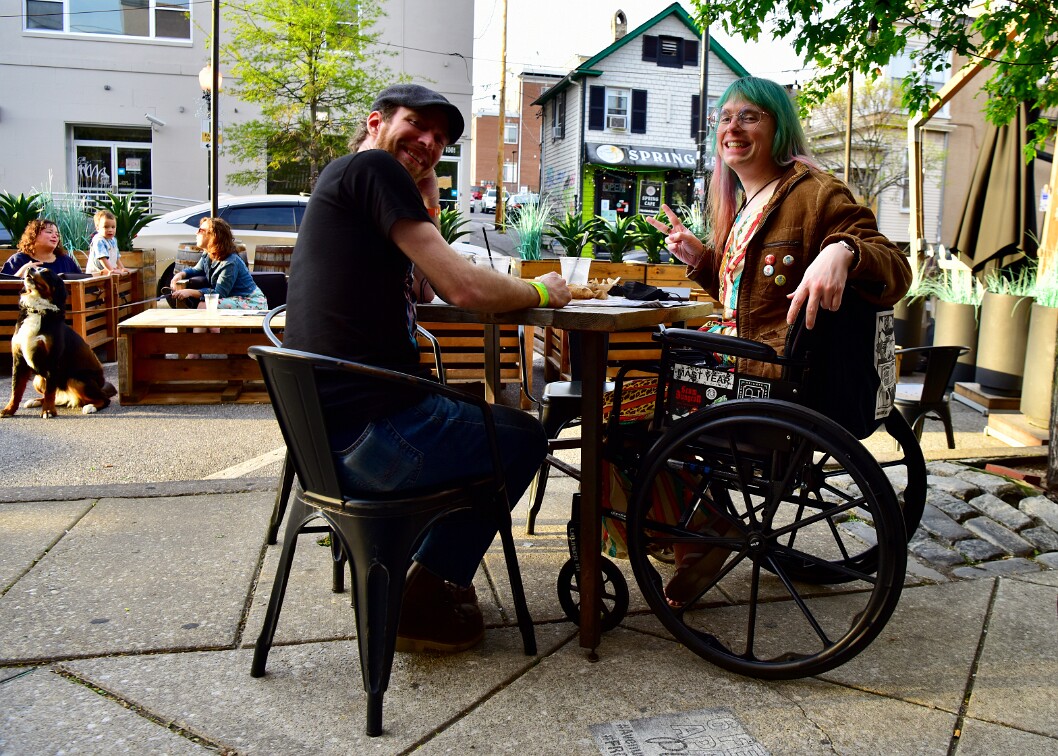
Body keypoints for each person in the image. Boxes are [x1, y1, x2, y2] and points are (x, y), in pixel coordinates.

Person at [284, 84, 571, 653]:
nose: (429, 143)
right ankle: (429, 589)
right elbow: (461, 286)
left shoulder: (346, 180)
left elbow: (419, 285)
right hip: (372, 439)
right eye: (417, 125)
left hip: (325, 442)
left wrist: (429, 213)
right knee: (521, 439)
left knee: (486, 427)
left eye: (440, 138)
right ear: (376, 122)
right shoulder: (372, 170)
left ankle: (422, 568)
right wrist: (543, 288)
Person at [647, 76, 912, 606]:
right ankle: (693, 530)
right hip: (740, 366)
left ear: (779, 127)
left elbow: (896, 268)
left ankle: (700, 532)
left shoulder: (814, 192)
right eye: (725, 118)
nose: (733, 128)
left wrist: (844, 253)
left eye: (750, 117)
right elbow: (750, 303)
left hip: (763, 382)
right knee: (627, 401)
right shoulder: (747, 202)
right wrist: (703, 259)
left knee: (619, 418)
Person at [168, 217, 266, 310]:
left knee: (206, 305)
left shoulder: (230, 262)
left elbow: (219, 294)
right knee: (207, 307)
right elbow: (196, 270)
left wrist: (190, 292)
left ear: (214, 236)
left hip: (250, 301)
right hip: (232, 299)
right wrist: (180, 274)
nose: (196, 232)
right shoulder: (208, 254)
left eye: (201, 230)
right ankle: (212, 328)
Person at [2, 219, 84, 278]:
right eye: (49, 232)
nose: (55, 236)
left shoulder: (65, 260)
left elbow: (82, 282)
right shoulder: (18, 260)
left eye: (57, 234)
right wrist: (21, 273)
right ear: (33, 236)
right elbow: (4, 288)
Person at [86, 209, 130, 276]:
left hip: (107, 273)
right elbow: (102, 258)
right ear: (97, 228)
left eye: (113, 227)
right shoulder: (99, 240)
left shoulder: (113, 240)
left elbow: (116, 257)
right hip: (95, 275)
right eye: (106, 227)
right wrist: (111, 270)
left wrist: (122, 268)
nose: (110, 230)